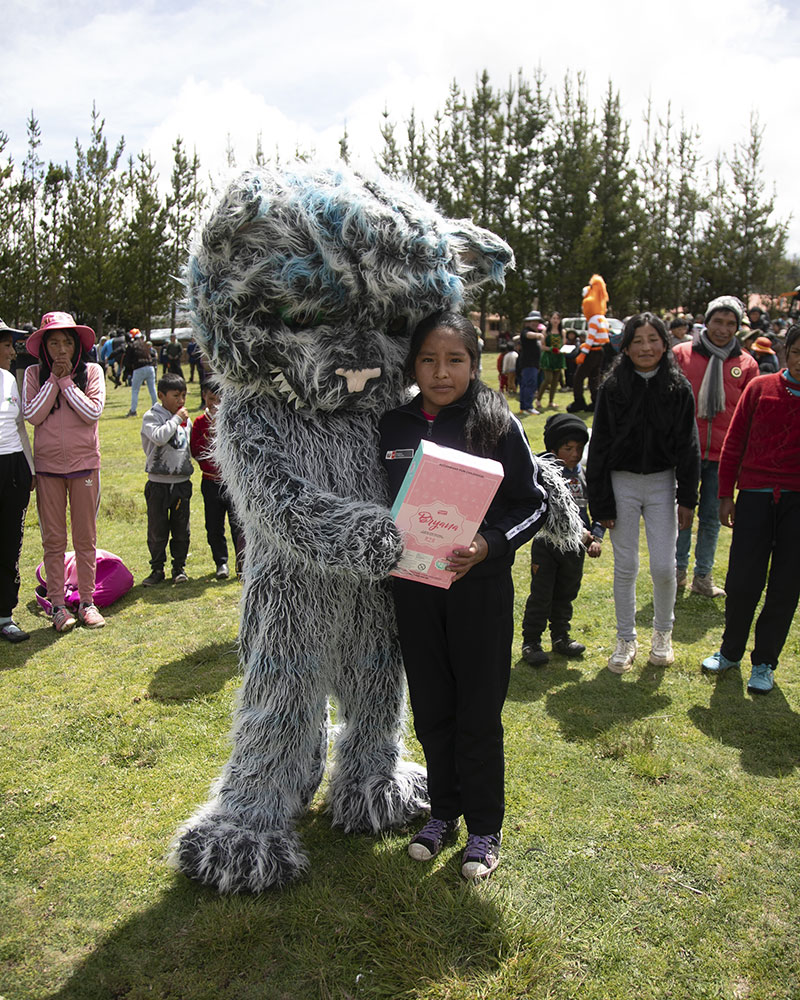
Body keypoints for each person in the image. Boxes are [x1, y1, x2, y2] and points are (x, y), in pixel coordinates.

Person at [379, 311, 552, 880]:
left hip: (479, 590)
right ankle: (443, 813)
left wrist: (489, 544)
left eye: (454, 360)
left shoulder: (496, 423)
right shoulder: (393, 425)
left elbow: (533, 504)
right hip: (414, 589)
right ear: (412, 365)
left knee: (478, 711)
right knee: (432, 707)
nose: (440, 372)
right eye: (428, 360)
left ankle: (484, 827)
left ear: (475, 365)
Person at [587, 313, 700, 673]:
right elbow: (599, 445)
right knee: (626, 566)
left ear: (665, 344)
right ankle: (625, 638)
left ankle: (663, 634)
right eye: (637, 340)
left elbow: (689, 447)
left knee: (665, 566)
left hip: (663, 483)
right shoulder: (612, 388)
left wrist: (688, 499)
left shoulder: (678, 388)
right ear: (626, 346)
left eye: (653, 339)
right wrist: (601, 504)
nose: (646, 347)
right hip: (621, 483)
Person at [702, 324, 800, 694]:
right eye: (797, 352)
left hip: (797, 502)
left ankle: (765, 662)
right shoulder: (760, 387)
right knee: (743, 581)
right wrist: (725, 494)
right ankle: (730, 651)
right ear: (785, 351)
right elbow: (734, 442)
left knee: (786, 585)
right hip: (755, 497)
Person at [22, 312, 106, 632]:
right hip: (48, 469)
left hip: (85, 466)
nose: (60, 350)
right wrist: (53, 381)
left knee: (86, 538)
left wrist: (66, 381)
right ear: (44, 348)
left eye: (67, 342)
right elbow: (32, 414)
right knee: (53, 540)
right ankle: (57, 605)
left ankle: (87, 602)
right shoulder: (33, 374)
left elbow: (92, 412)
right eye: (53, 343)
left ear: (76, 346)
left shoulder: (92, 371)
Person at [673, 295, 758, 597]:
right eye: (718, 321)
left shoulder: (747, 363)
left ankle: (703, 576)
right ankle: (677, 571)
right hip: (685, 452)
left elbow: (750, 414)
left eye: (730, 323)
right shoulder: (681, 354)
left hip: (723, 455)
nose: (723, 329)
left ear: (738, 327)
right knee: (682, 513)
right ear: (706, 322)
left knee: (711, 517)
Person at [521, 413, 603, 666]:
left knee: (566, 593)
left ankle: (560, 636)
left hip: (576, 549)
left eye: (579, 448)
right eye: (568, 448)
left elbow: (597, 510)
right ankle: (531, 642)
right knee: (541, 595)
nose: (575, 454)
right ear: (554, 449)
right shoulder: (543, 475)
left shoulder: (584, 476)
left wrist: (596, 537)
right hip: (547, 546)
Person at [140, 373, 194, 586]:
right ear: (161, 395)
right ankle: (157, 569)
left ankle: (179, 567)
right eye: (176, 396)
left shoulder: (184, 420)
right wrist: (177, 419)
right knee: (157, 529)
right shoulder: (151, 417)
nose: (181, 400)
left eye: (184, 396)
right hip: (158, 484)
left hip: (181, 483)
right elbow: (160, 437)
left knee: (182, 529)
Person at [0, 322, 35, 642]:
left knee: (10, 542)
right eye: (7, 345)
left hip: (14, 468)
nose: (13, 352)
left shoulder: (9, 379)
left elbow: (20, 426)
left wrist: (30, 468)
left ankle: (5, 615)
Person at [190, 383, 244, 578]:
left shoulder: (234, 420)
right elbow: (195, 451)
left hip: (232, 483)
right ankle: (221, 562)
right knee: (214, 526)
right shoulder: (199, 423)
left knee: (238, 525)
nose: (215, 404)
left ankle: (242, 563)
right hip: (210, 481)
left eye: (219, 400)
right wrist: (210, 434)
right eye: (211, 399)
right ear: (204, 396)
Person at [124, 331, 158, 417]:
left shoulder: (132, 346)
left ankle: (133, 411)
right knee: (152, 389)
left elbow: (127, 360)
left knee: (135, 390)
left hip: (139, 368)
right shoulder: (145, 345)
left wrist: (128, 370)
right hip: (150, 367)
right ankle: (157, 409)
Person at [537, 312, 566, 410]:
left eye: (557, 318)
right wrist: (551, 349)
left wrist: (564, 350)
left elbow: (563, 345)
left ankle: (551, 401)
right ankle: (538, 399)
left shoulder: (562, 332)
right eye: (554, 318)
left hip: (558, 358)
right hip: (548, 358)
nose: (555, 320)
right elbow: (542, 346)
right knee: (548, 379)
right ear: (550, 320)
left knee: (555, 381)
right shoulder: (546, 331)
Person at [517, 311, 544, 415]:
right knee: (529, 385)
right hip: (528, 363)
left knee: (527, 385)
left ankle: (524, 407)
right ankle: (528, 407)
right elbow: (529, 335)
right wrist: (538, 335)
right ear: (528, 322)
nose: (534, 323)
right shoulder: (526, 331)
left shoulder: (535, 332)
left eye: (536, 321)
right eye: (532, 321)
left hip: (534, 364)